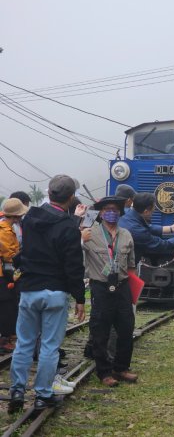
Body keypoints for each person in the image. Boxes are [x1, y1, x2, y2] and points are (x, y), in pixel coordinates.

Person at [8, 175, 86, 413]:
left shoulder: (29, 217)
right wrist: (80, 298)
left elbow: (24, 250)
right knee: (49, 346)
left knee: (23, 343)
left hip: (29, 290)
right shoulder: (68, 227)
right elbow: (73, 266)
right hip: (54, 291)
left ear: (49, 193)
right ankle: (43, 395)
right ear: (71, 198)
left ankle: (17, 391)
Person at [83, 196, 137, 387]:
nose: (111, 212)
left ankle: (121, 367)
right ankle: (104, 371)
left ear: (120, 212)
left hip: (122, 287)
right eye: (106, 209)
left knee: (126, 328)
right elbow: (75, 248)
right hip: (101, 287)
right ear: (101, 213)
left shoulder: (126, 235)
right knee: (101, 329)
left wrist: (134, 293)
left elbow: (131, 266)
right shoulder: (90, 234)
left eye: (114, 209)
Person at [119, 192, 174, 263]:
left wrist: (171, 228)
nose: (154, 211)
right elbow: (163, 245)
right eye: (153, 209)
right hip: (124, 266)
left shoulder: (127, 213)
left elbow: (146, 227)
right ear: (146, 211)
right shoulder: (138, 232)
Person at [0, 198, 28, 353]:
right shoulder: (4, 230)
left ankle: (7, 337)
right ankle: (3, 341)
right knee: (5, 306)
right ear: (16, 216)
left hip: (6, 273)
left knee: (9, 305)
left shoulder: (9, 228)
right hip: (3, 275)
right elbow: (8, 254)